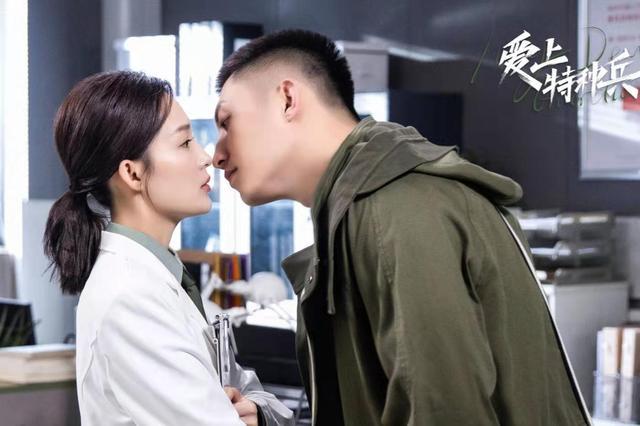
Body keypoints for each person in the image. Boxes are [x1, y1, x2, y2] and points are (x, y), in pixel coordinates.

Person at [212, 29, 593, 425]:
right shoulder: (369, 202)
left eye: (226, 122)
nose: (217, 155)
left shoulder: (393, 208)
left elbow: (443, 413)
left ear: (287, 100)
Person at [43, 71, 293, 426]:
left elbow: (244, 390)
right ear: (132, 174)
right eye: (185, 142)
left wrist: (258, 411)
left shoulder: (164, 278)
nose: (206, 157)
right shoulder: (130, 298)